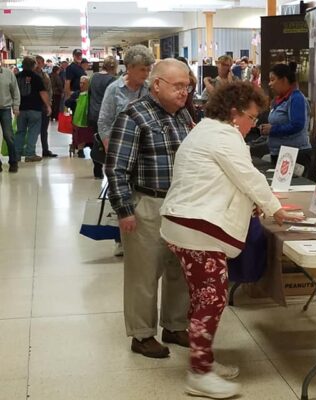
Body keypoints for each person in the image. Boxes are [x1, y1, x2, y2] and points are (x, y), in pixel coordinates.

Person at [160, 81, 302, 398]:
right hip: (197, 228)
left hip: (186, 223)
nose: (254, 123)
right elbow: (247, 176)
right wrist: (274, 208)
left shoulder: (207, 130)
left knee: (202, 298)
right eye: (252, 117)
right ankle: (199, 374)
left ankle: (205, 362)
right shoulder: (224, 136)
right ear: (235, 113)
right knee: (211, 299)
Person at [104, 59, 194, 359]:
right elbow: (116, 168)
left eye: (187, 86)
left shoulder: (182, 115)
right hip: (148, 203)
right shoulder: (133, 116)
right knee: (144, 274)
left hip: (181, 203)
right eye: (178, 86)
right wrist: (124, 210)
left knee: (178, 269)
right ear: (157, 85)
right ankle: (142, 335)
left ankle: (175, 324)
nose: (185, 92)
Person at [98, 45, 154, 257]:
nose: (146, 74)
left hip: (144, 151)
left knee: (139, 195)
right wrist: (110, 149)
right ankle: (120, 239)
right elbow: (104, 122)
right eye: (142, 69)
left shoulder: (148, 89)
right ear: (129, 68)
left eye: (148, 69)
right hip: (119, 150)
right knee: (120, 194)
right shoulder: (114, 89)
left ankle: (141, 237)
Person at [259, 63, 311, 169]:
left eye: (273, 80)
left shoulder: (296, 99)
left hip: (294, 154)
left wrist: (272, 129)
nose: (270, 84)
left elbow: (297, 125)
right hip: (279, 152)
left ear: (284, 80)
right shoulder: (279, 100)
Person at [14, 56, 52, 162]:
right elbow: (43, 92)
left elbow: (12, 91)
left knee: (20, 131)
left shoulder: (16, 77)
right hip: (35, 109)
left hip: (21, 109)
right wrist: (48, 106)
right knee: (33, 131)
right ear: (33, 66)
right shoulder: (36, 77)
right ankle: (30, 154)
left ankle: (16, 154)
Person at [88, 56, 118, 178]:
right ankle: (110, 168)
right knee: (108, 141)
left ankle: (97, 167)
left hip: (93, 113)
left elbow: (89, 93)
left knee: (97, 141)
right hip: (106, 115)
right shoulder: (112, 80)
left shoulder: (94, 77)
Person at [34, 55, 57, 158]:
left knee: (44, 130)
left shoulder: (45, 76)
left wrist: (49, 103)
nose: (38, 65)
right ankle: (31, 151)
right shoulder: (31, 76)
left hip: (44, 105)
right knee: (33, 130)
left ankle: (45, 150)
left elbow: (49, 90)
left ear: (43, 64)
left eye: (40, 63)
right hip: (34, 106)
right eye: (36, 63)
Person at [0, 62, 20, 173]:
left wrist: (16, 106)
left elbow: (15, 91)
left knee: (8, 135)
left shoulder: (8, 74)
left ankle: (13, 162)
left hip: (5, 108)